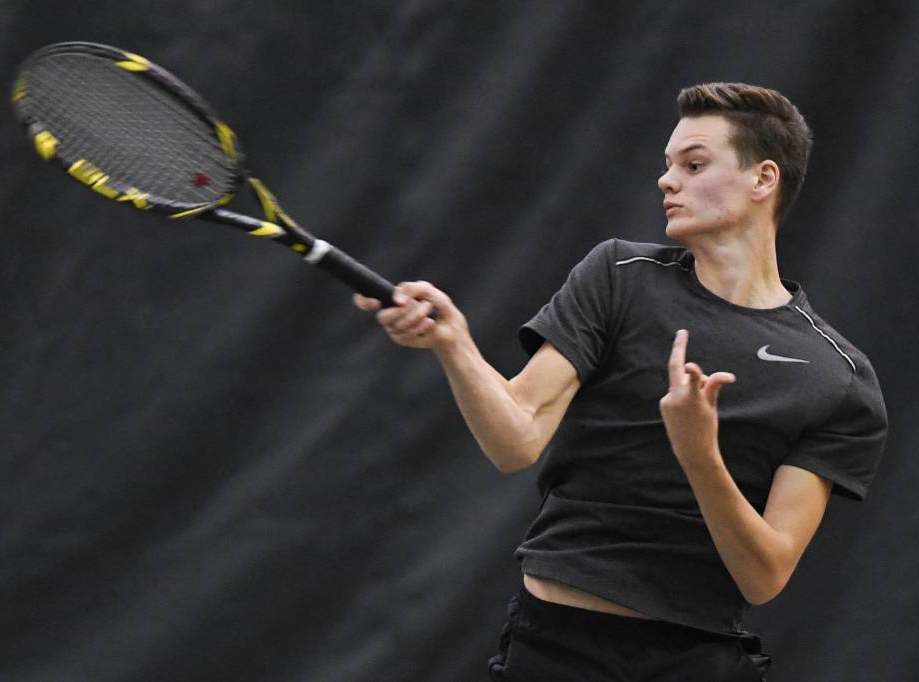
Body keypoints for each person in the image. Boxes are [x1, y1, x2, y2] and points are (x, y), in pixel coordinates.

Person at [354, 83, 888, 681]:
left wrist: (699, 455)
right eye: (667, 166)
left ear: (763, 179)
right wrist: (453, 344)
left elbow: (764, 577)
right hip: (556, 647)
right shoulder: (618, 277)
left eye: (693, 165)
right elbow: (516, 438)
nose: (667, 181)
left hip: (696, 659)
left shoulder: (838, 377)